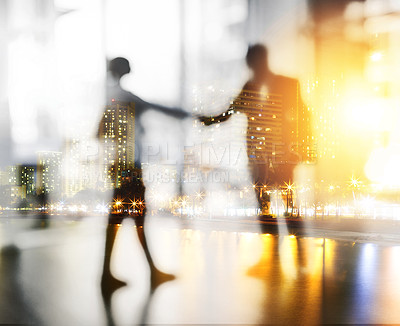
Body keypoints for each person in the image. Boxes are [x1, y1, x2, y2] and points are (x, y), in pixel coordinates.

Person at [99, 57, 188, 296]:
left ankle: (111, 275)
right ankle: (144, 273)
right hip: (130, 166)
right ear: (123, 70)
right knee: (135, 217)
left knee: (123, 217)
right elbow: (159, 108)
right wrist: (192, 115)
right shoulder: (126, 97)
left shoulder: (111, 98)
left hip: (118, 165)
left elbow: (98, 132)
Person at [200, 44, 309, 214]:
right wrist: (209, 119)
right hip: (264, 150)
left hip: (280, 149)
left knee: (281, 191)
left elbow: (303, 116)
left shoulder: (277, 85)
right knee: (271, 192)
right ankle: (279, 221)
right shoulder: (255, 86)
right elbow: (230, 112)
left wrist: (209, 120)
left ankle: (282, 221)